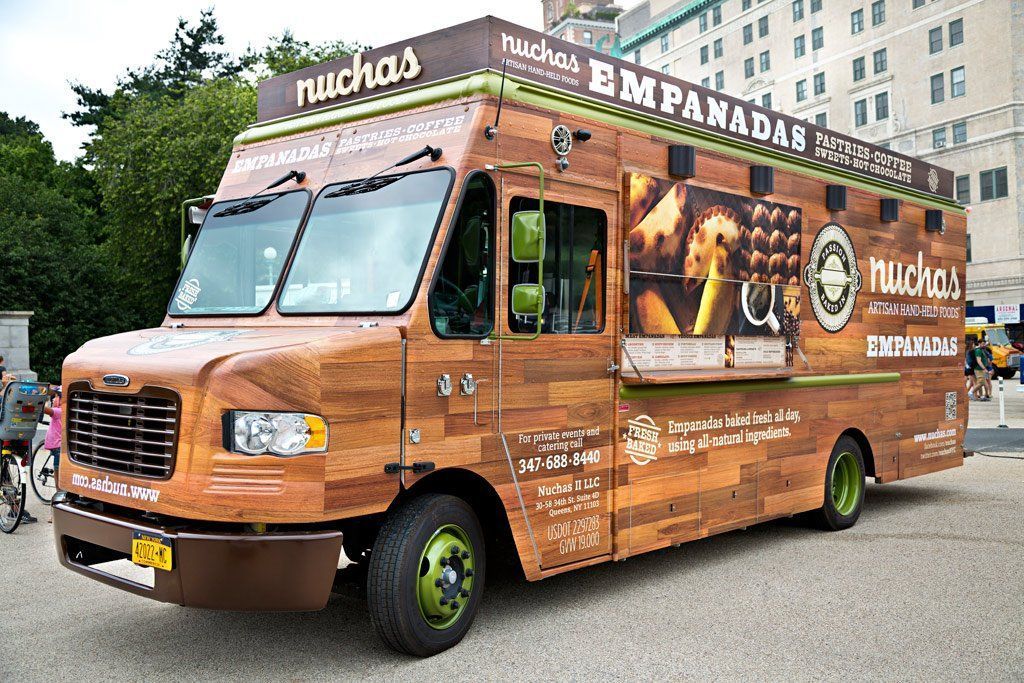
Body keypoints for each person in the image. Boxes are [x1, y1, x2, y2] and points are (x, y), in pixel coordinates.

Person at [42, 387, 61, 523]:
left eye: (56, 397)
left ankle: (56, 515)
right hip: (56, 449)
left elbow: (45, 410)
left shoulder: (59, 411)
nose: (54, 399)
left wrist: (37, 400)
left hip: (59, 450)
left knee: (59, 485)